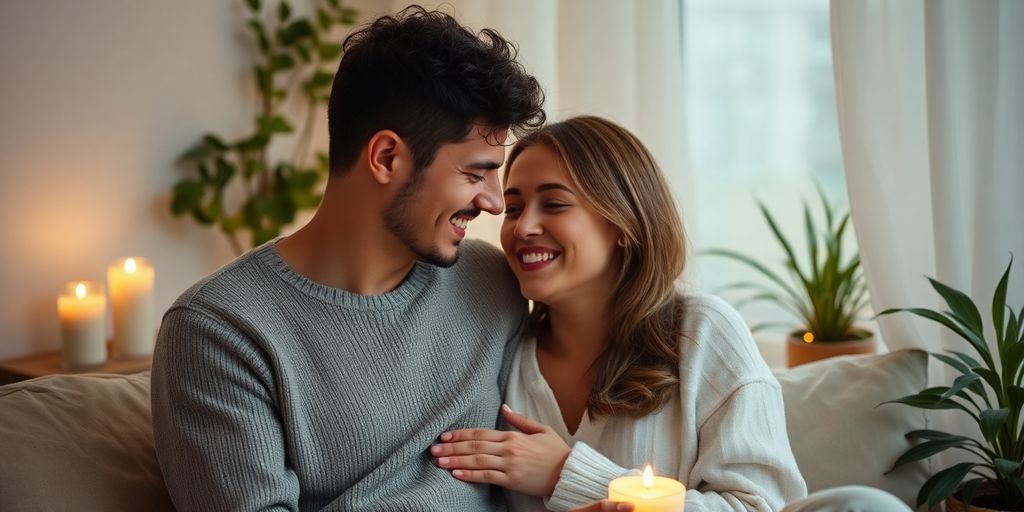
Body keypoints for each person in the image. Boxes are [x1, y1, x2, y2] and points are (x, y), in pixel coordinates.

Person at [150, 6, 547, 511]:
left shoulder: (491, 282)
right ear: (386, 157)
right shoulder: (218, 330)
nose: (494, 200)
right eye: (475, 174)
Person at [431, 116, 912, 512]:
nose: (524, 227)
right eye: (513, 209)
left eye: (554, 204)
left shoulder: (701, 334)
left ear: (622, 222)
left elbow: (766, 506)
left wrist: (567, 473)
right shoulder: (503, 351)